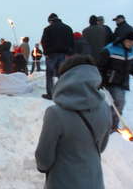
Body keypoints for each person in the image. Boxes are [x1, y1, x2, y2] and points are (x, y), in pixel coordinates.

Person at [35, 55, 112, 189]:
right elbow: (101, 146)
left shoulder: (55, 113)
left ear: (65, 79)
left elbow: (44, 158)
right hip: (94, 180)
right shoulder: (105, 107)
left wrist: (43, 168)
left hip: (63, 181)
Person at [97, 31, 133, 131]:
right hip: (110, 81)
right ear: (123, 40)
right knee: (119, 103)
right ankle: (110, 127)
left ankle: (111, 125)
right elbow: (99, 67)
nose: (131, 43)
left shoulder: (132, 50)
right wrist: (101, 80)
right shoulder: (110, 50)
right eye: (129, 41)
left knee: (118, 105)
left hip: (122, 82)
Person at [41, 13, 74, 100]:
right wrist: (69, 52)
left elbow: (44, 41)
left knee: (50, 75)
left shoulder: (48, 29)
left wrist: (46, 52)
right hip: (64, 54)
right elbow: (71, 41)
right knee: (63, 74)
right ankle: (63, 93)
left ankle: (50, 94)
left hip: (51, 54)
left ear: (50, 20)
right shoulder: (67, 28)